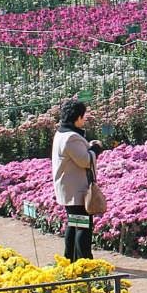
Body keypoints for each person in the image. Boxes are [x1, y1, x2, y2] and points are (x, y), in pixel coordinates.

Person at [52, 99, 102, 262]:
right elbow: (84, 160)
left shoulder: (62, 133)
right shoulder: (71, 137)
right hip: (76, 191)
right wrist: (96, 149)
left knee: (74, 224)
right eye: (84, 116)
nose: (85, 119)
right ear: (78, 117)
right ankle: (84, 261)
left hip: (69, 189)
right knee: (82, 226)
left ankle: (70, 258)